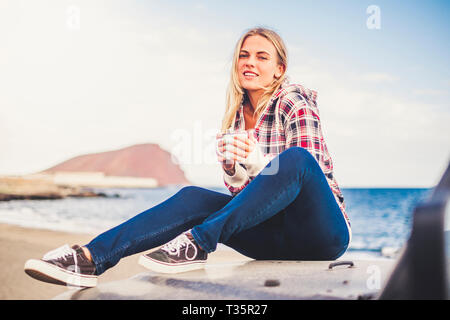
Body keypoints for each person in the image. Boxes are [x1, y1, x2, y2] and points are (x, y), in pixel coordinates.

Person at [24, 27, 351, 288]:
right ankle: (91, 259)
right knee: (192, 197)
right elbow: (247, 204)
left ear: (279, 69)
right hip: (274, 239)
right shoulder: (235, 120)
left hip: (320, 235)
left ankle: (197, 243)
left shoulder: (294, 102)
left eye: (261, 57)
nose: (250, 62)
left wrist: (257, 163)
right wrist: (235, 173)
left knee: (294, 159)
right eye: (243, 55)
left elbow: (308, 172)